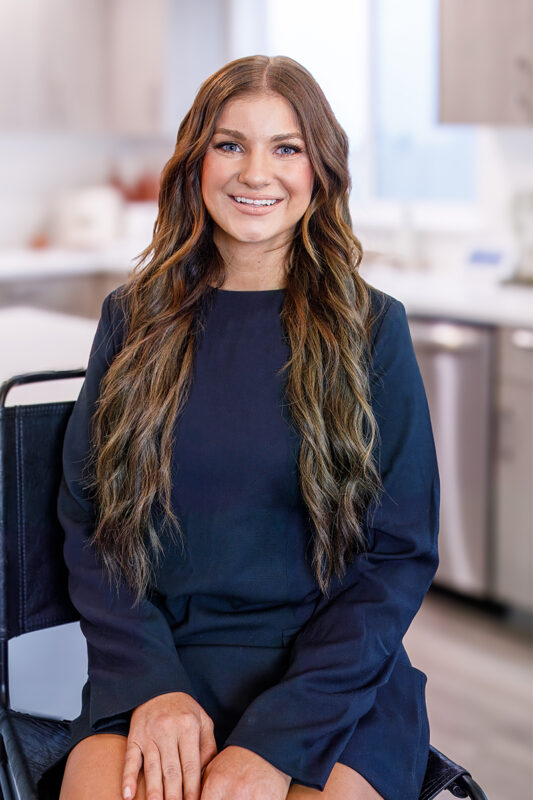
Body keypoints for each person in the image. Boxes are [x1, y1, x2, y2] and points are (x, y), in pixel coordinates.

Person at [38, 54, 439, 800]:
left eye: (285, 148)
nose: (257, 173)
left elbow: (397, 554)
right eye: (230, 144)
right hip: (163, 663)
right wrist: (153, 686)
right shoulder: (131, 320)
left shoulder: (371, 327)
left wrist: (275, 739)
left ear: (318, 169)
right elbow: (92, 524)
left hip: (331, 675)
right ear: (196, 162)